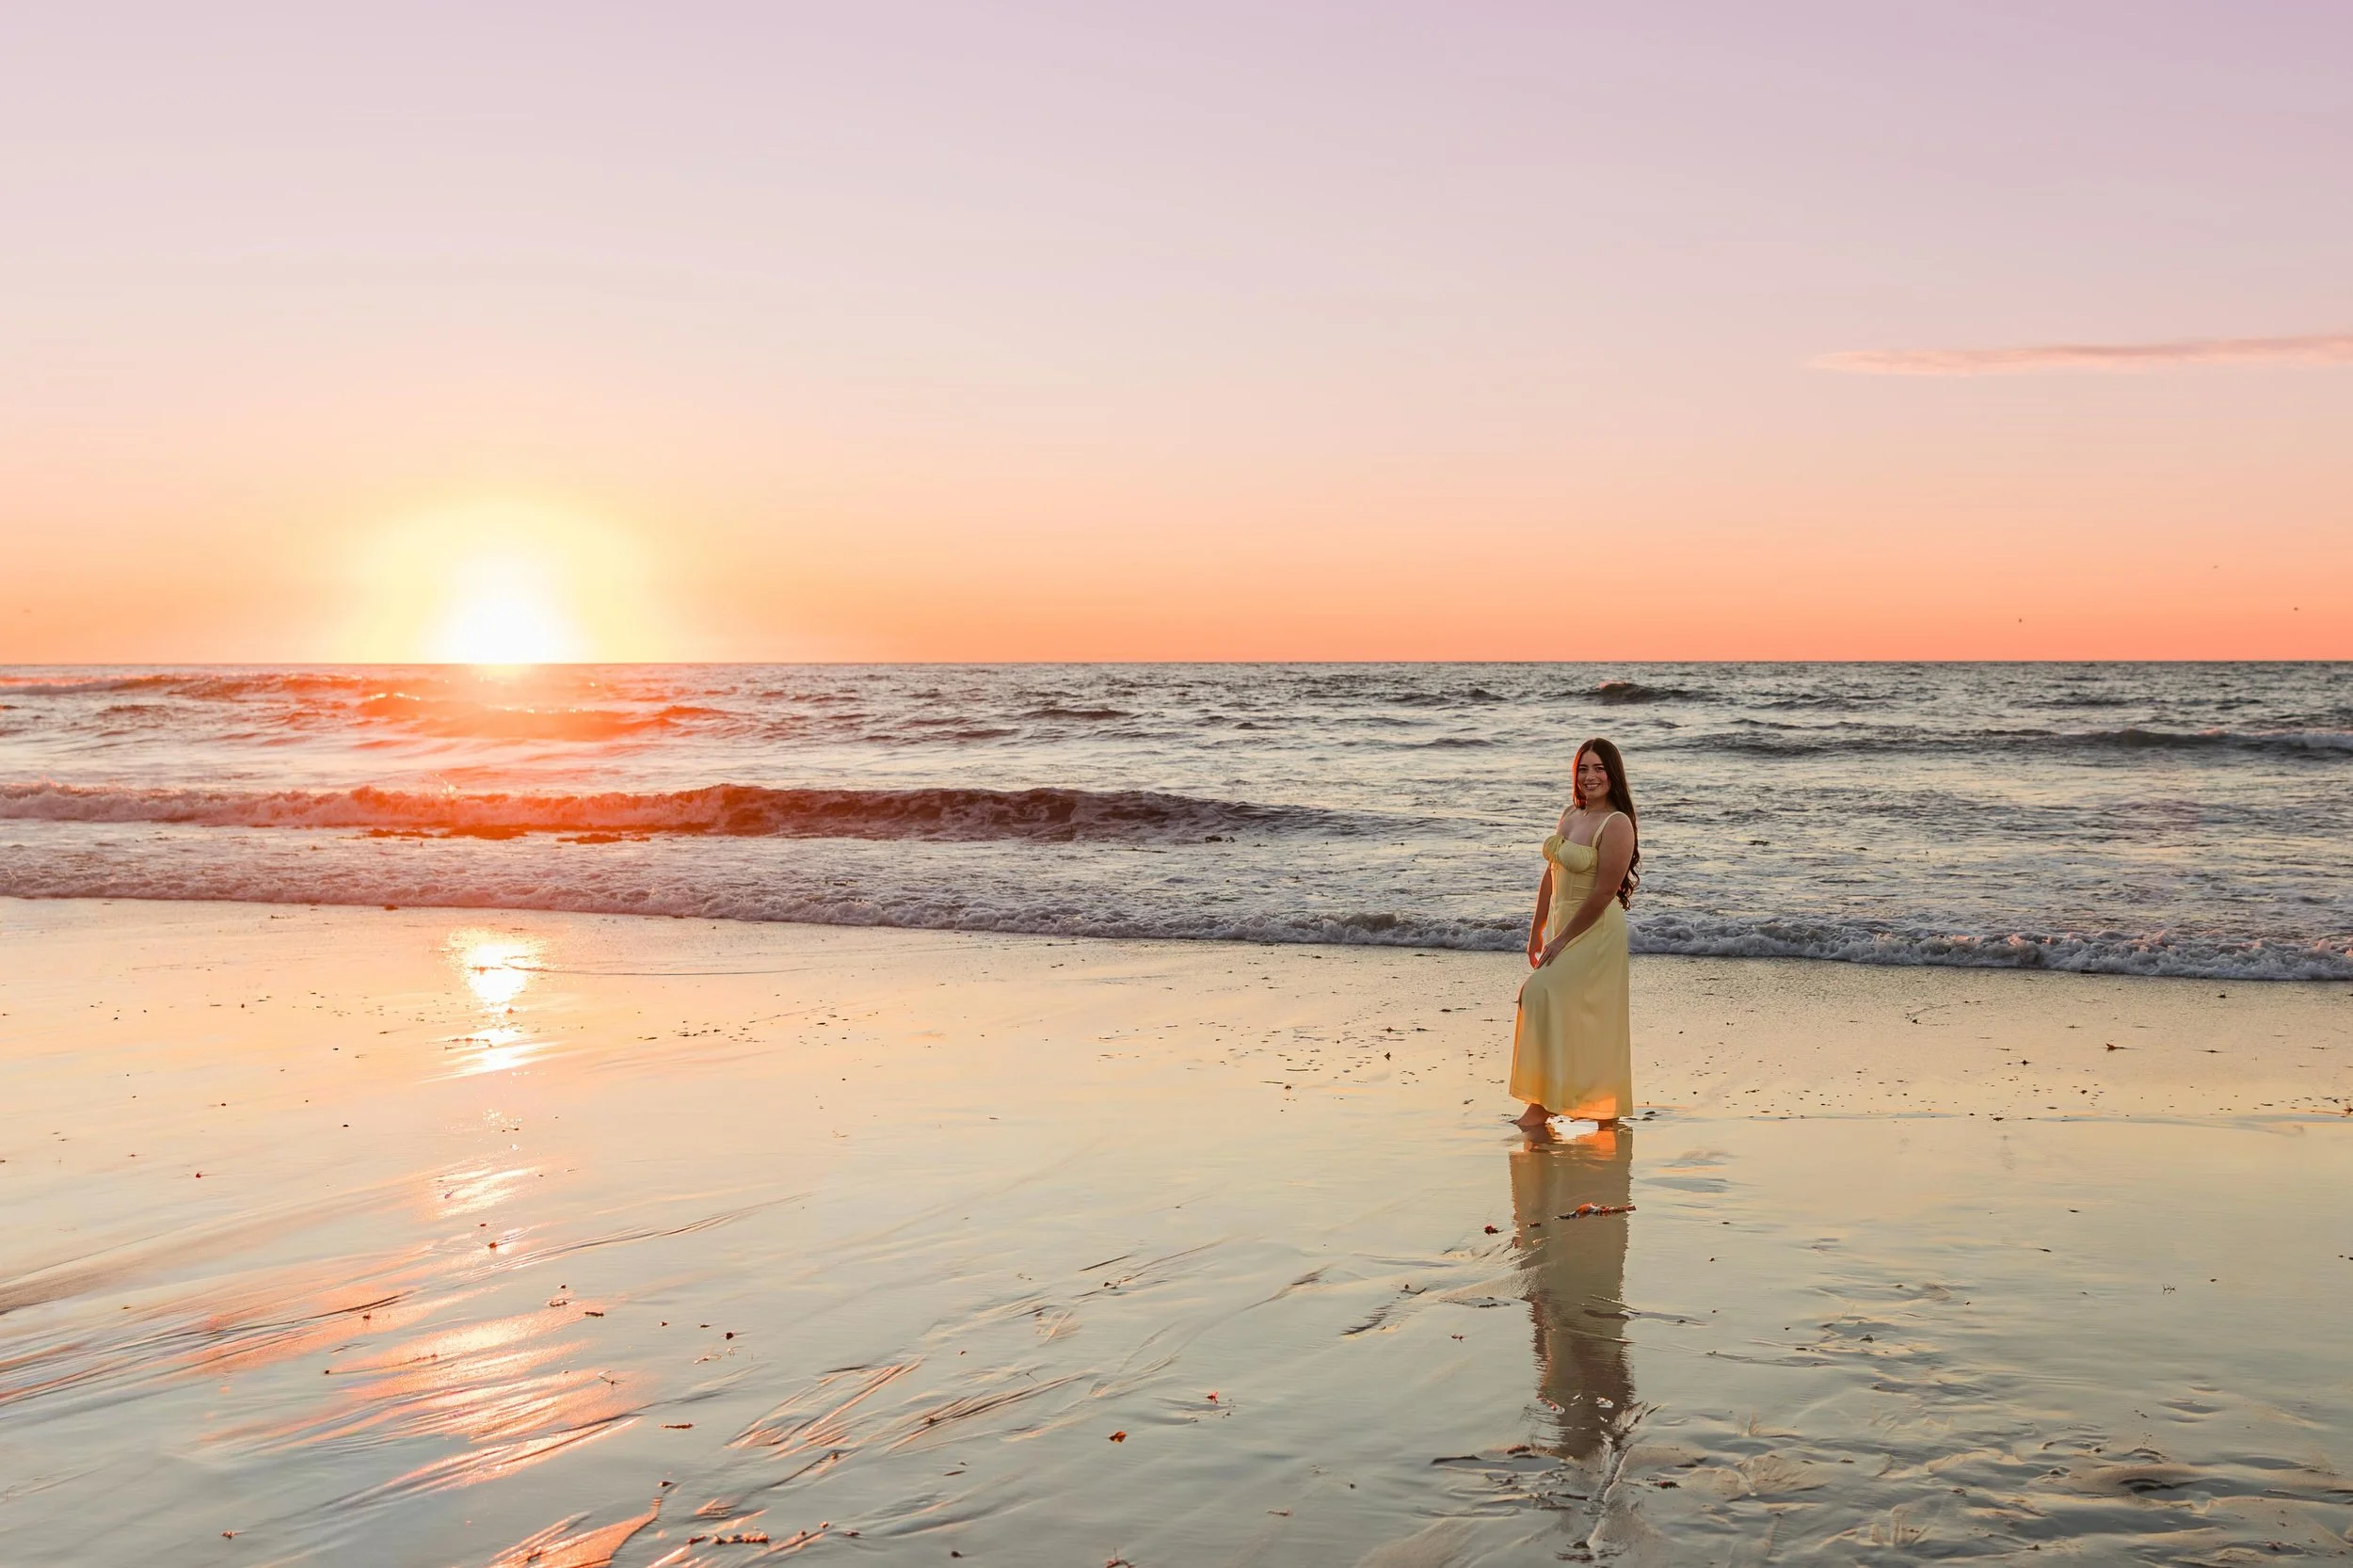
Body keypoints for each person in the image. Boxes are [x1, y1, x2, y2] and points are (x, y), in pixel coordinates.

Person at [1511, 738, 1639, 1129]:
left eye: (1598, 768)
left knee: (1543, 994)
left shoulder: (1617, 824)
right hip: (1561, 926)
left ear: (1612, 774)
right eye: (1583, 768)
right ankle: (1548, 1101)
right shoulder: (1570, 814)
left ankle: (1574, 1105)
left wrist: (1562, 939)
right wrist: (1537, 929)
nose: (1590, 776)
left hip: (1595, 931)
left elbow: (1603, 893)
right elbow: (1551, 875)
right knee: (1550, 1004)